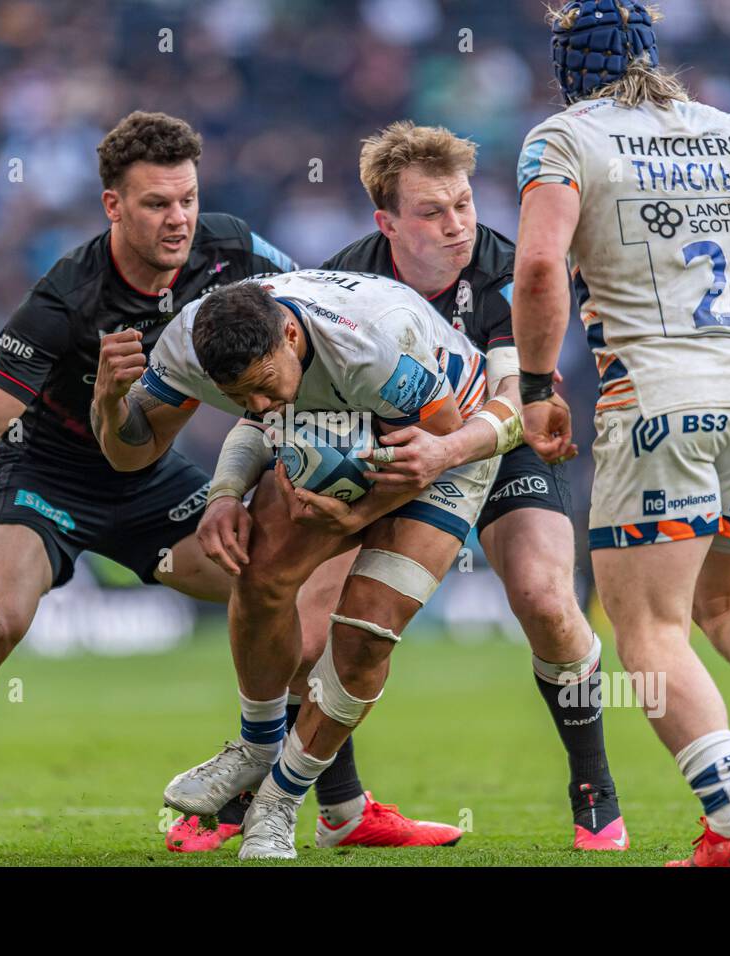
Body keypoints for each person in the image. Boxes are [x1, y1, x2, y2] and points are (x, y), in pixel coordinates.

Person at [0, 110, 301, 857]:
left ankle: (262, 802)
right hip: (46, 474)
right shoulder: (67, 296)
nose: (178, 219)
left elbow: (317, 304)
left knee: (276, 592)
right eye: (156, 204)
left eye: (187, 199)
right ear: (113, 205)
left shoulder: (232, 247)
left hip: (148, 479)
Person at [511, 1, 730, 866]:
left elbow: (535, 267)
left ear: (569, 64)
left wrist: (533, 385)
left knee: (648, 628)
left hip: (659, 404)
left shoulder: (563, 138)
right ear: (651, 53)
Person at [95, 271, 520, 858]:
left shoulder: (370, 347)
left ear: (290, 334)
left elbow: (432, 449)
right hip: (335, 418)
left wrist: (354, 518)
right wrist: (115, 406)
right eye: (242, 394)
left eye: (265, 384)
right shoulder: (190, 342)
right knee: (260, 574)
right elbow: (132, 454)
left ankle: (280, 802)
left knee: (367, 631)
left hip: (443, 437)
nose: (260, 404)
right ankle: (254, 747)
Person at [317, 121, 627, 849]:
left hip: (499, 444)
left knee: (548, 600)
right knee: (315, 623)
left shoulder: (506, 269)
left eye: (463, 203)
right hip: (392, 455)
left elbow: (517, 401)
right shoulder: (344, 282)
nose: (457, 224)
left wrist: (448, 448)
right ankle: (341, 807)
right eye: (432, 212)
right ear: (385, 223)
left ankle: (595, 787)